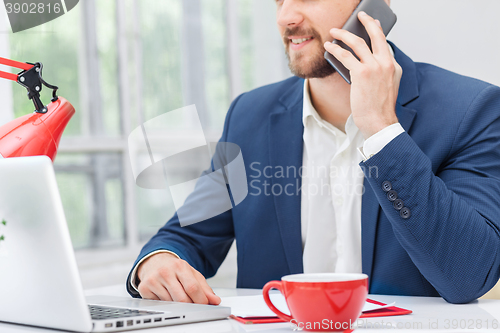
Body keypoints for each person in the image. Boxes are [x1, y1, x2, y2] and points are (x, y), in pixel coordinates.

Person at [126, 0, 500, 305]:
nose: (286, 16)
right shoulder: (249, 115)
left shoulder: (470, 110)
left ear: (375, 6)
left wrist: (384, 131)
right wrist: (159, 261)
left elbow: (469, 276)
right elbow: (188, 235)